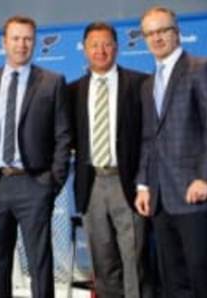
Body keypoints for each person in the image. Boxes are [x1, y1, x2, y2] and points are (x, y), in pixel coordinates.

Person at [134, 6, 207, 298]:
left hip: (194, 193)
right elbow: (149, 139)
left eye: (163, 30)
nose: (156, 38)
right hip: (161, 197)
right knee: (173, 281)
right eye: (150, 33)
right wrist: (143, 184)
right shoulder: (148, 83)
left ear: (176, 32)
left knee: (204, 278)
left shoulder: (202, 68)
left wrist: (205, 178)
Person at [0, 15, 72, 298]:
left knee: (40, 264)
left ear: (35, 42)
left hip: (34, 184)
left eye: (28, 38)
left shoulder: (52, 82)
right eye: (15, 38)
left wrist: (52, 182)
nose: (21, 44)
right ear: (4, 42)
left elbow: (63, 135)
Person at [68, 22, 153, 298]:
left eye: (106, 44)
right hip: (91, 183)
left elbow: (149, 137)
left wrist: (144, 182)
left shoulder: (140, 84)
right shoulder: (73, 91)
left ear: (116, 48)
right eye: (94, 45)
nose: (100, 50)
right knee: (102, 264)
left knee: (134, 261)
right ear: (84, 49)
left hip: (126, 182)